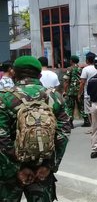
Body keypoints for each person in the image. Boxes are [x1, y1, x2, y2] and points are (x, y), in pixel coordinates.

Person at [0, 56, 70, 201]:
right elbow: (63, 134)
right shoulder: (55, 97)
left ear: (14, 74)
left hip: (11, 174)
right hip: (42, 170)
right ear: (39, 75)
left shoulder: (4, 98)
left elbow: (2, 138)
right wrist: (49, 166)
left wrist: (16, 169)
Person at [63, 56, 82, 128]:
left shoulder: (69, 69)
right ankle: (86, 120)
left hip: (71, 91)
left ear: (71, 61)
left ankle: (70, 122)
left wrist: (65, 91)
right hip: (80, 90)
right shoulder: (80, 69)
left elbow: (66, 81)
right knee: (81, 106)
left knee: (70, 107)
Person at [78, 53, 97, 127]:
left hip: (88, 94)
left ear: (87, 60)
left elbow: (82, 83)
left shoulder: (85, 69)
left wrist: (79, 94)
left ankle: (93, 127)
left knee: (89, 112)